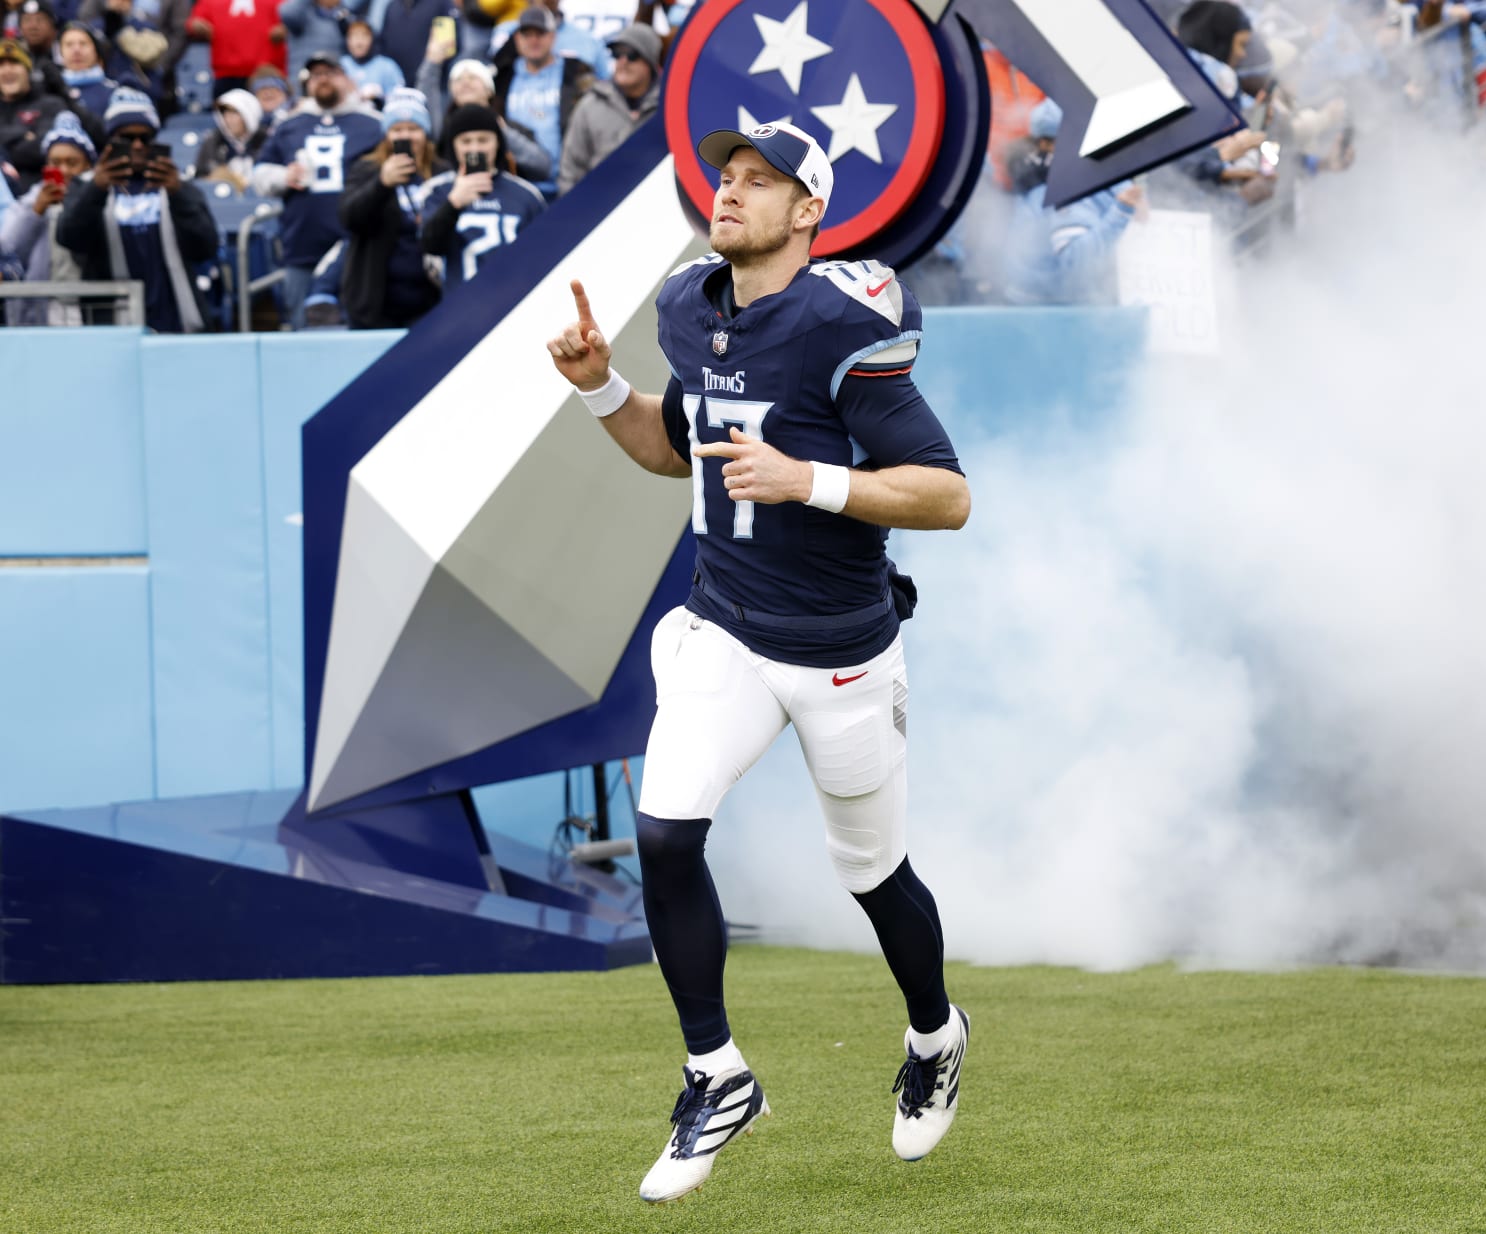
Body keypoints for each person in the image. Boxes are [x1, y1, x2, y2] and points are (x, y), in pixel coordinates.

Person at [544, 120, 972, 1205]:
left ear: (808, 212)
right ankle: (715, 1072)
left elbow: (946, 494)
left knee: (872, 873)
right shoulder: (689, 306)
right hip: (723, 625)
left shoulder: (844, 326)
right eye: (726, 176)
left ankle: (935, 1032)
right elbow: (675, 448)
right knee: (664, 829)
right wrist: (599, 389)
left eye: (759, 182)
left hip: (839, 649)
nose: (729, 193)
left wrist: (811, 481)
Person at [56, 86, 217, 331]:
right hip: (113, 327)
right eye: (127, 138)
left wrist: (179, 195)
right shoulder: (87, 185)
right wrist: (96, 191)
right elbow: (70, 238)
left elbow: (205, 246)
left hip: (174, 322)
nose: (138, 145)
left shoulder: (176, 184)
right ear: (111, 141)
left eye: (146, 137)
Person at [250, 48, 381, 323]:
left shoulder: (372, 123)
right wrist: (284, 176)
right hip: (302, 246)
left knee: (357, 330)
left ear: (346, 78)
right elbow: (259, 174)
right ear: (308, 83)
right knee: (302, 336)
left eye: (330, 73)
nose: (323, 79)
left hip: (356, 247)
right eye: (316, 74)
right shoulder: (290, 124)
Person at [1001, 100, 1145, 305]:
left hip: (1034, 306)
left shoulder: (1037, 171)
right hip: (1059, 312)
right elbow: (1076, 262)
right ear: (1046, 144)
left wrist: (1124, 190)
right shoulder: (1061, 186)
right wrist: (1121, 211)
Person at [335, 84, 438, 326]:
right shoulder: (366, 168)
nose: (405, 136)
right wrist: (381, 183)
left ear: (425, 133)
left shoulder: (440, 171)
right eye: (397, 129)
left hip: (430, 302)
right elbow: (348, 218)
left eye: (413, 128)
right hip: (376, 304)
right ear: (386, 135)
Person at [419, 101, 541, 288]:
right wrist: (453, 204)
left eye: (483, 140)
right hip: (462, 304)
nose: (475, 148)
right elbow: (430, 246)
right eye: (466, 141)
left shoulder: (526, 194)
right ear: (454, 145)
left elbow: (542, 253)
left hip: (516, 301)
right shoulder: (437, 190)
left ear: (498, 143)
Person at [0, 110, 92, 323]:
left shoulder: (99, 201)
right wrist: (36, 211)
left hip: (88, 315)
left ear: (88, 165)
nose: (64, 170)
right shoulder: (29, 202)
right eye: (55, 162)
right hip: (36, 318)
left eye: (72, 162)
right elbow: (9, 253)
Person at [492, 5, 590, 195]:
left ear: (553, 37)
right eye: (527, 34)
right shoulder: (502, 76)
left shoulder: (576, 72)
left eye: (540, 33)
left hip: (569, 183)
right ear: (517, 39)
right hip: (519, 187)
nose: (533, 40)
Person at [414, 52, 552, 182]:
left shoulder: (510, 127)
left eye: (473, 78)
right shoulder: (443, 129)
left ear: (489, 90)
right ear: (452, 92)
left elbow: (542, 167)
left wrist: (502, 132)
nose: (465, 83)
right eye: (458, 79)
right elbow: (425, 99)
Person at [554, 18, 654, 194]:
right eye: (617, 54)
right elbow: (570, 170)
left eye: (632, 54)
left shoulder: (668, 108)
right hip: (600, 208)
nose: (623, 61)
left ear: (650, 61)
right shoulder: (590, 105)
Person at [1, 36, 95, 188]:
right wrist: (22, 134)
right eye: (1, 65)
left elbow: (46, 150)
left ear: (27, 69)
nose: (7, 70)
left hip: (42, 194)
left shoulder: (50, 104)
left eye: (14, 63)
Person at [186, 0, 287, 97]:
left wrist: (285, 28)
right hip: (226, 73)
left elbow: (293, 18)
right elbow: (195, 22)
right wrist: (198, 26)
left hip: (267, 73)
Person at [192, 87, 265, 185]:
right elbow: (200, 177)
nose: (228, 118)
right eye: (224, 112)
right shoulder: (213, 141)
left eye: (234, 112)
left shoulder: (266, 140)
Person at [278, 0, 349, 80]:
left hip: (334, 86)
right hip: (301, 84)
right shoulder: (302, 14)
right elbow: (286, 13)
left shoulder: (345, 16)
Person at [340, 16, 401, 101]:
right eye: (354, 36)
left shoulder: (387, 66)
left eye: (364, 35)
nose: (359, 42)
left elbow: (398, 99)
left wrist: (380, 98)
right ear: (347, 40)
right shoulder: (340, 66)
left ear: (372, 39)